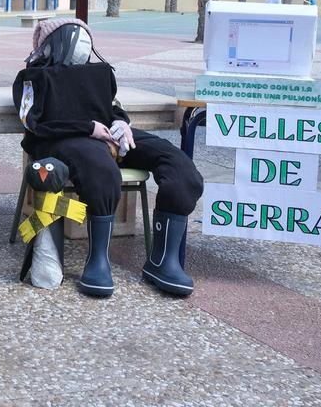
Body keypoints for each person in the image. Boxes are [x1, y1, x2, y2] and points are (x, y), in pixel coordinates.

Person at [14, 18, 203, 298]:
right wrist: (87, 128)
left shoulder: (100, 73)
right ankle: (98, 261)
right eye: (73, 35)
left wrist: (121, 124)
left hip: (107, 135)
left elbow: (111, 107)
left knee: (178, 165)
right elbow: (34, 124)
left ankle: (163, 261)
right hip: (63, 139)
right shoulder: (33, 78)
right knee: (102, 171)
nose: (81, 41)